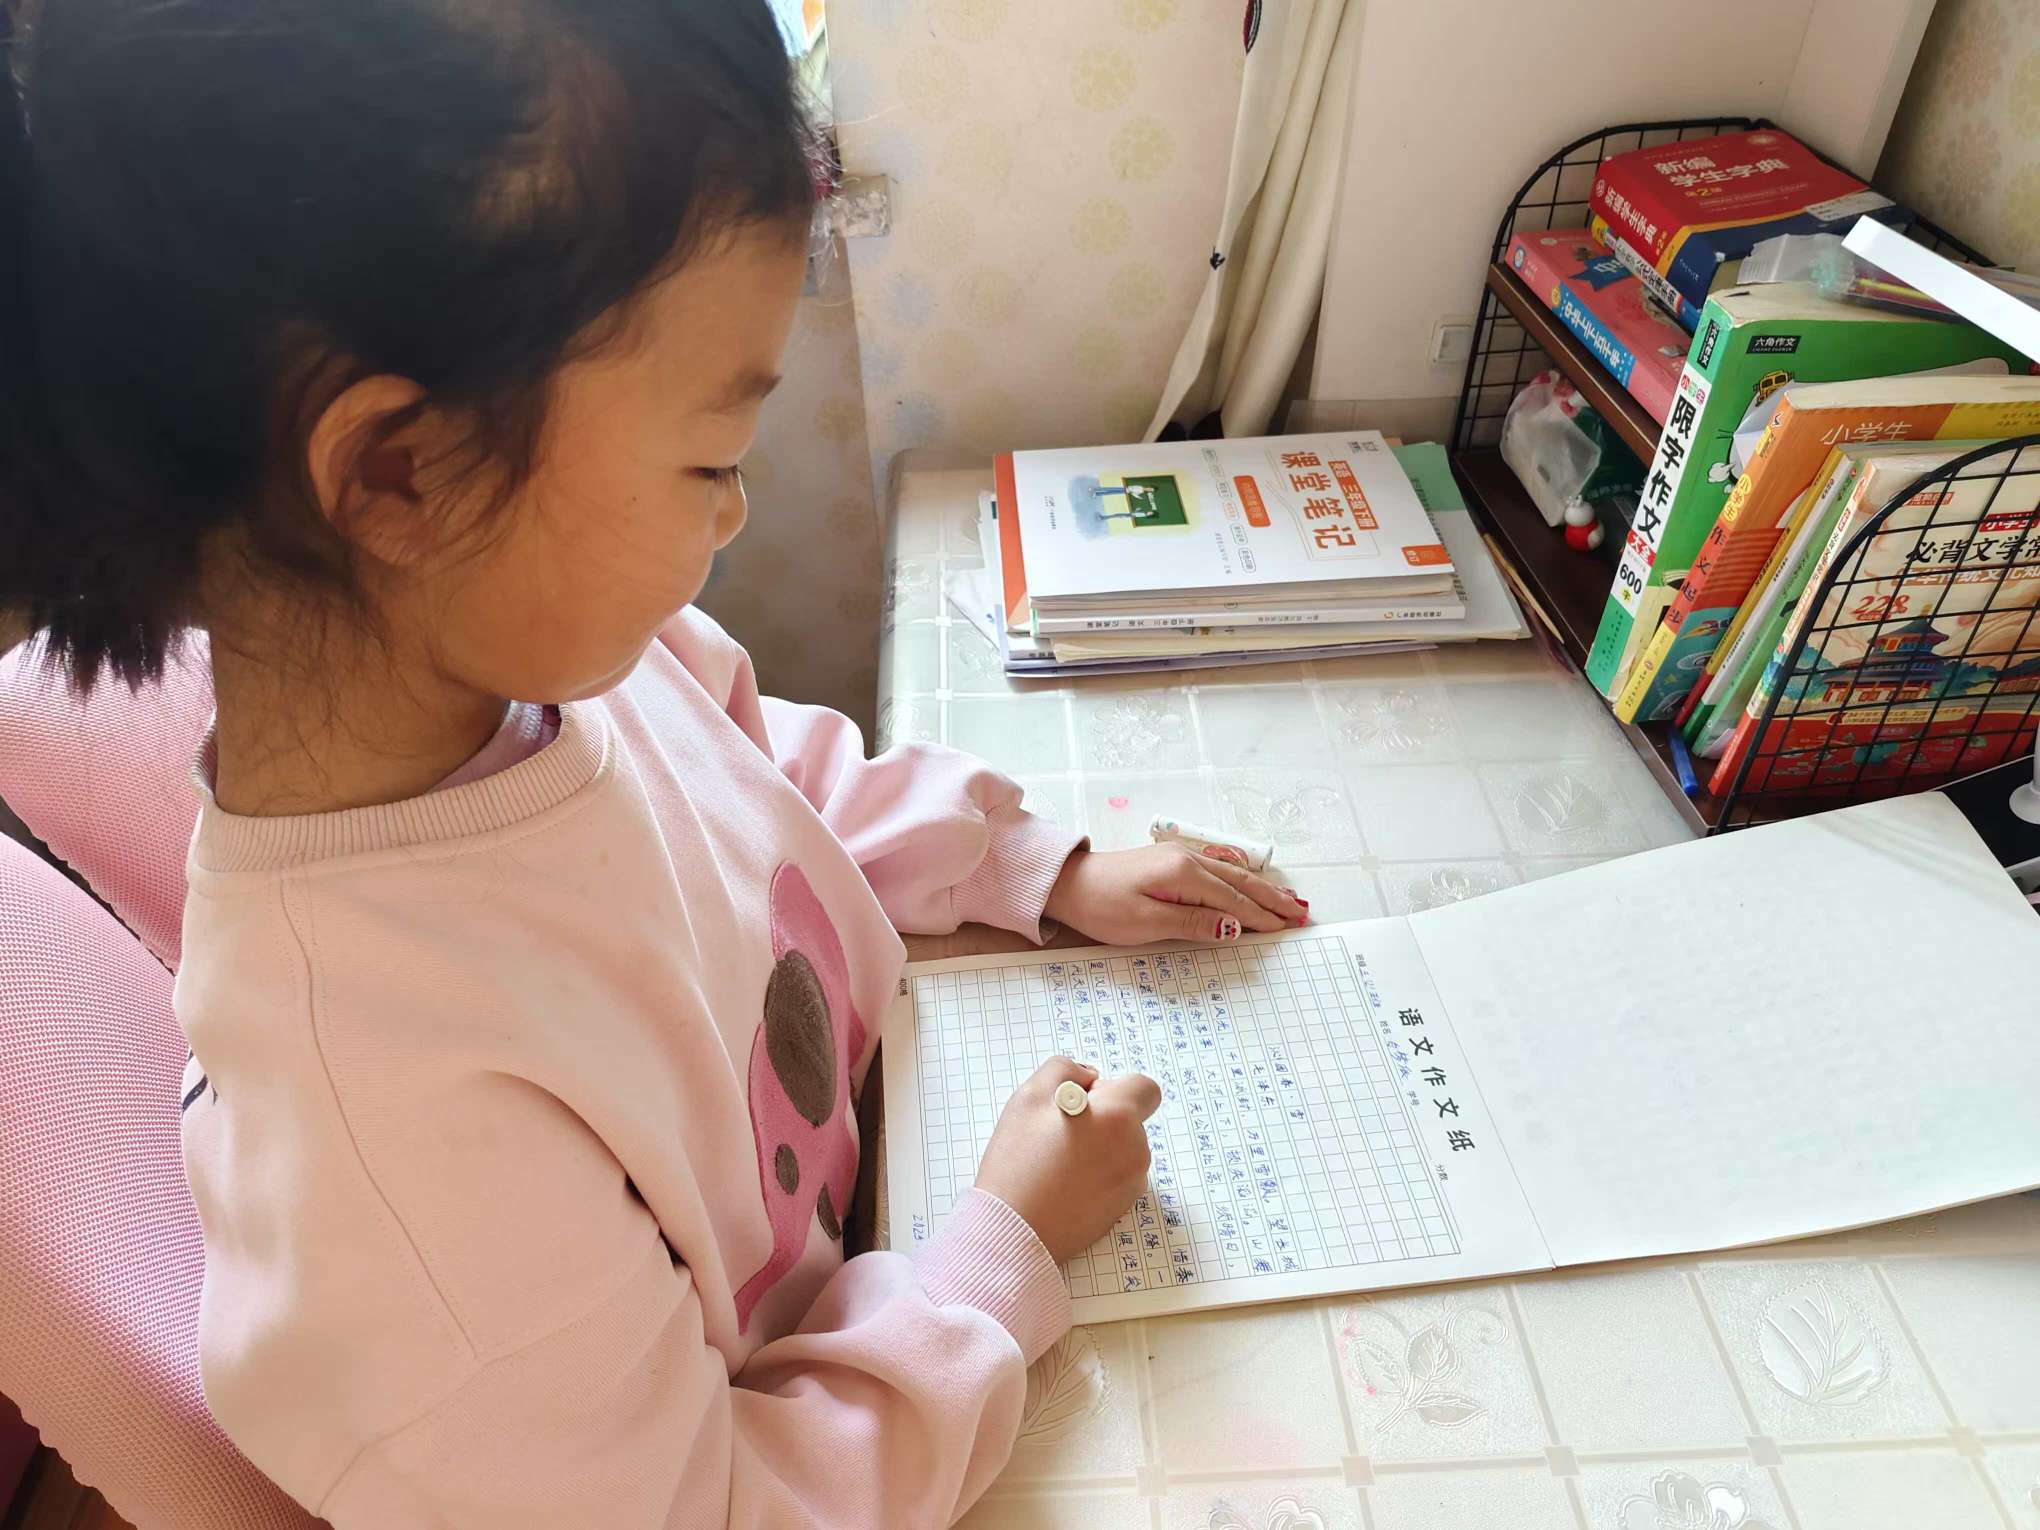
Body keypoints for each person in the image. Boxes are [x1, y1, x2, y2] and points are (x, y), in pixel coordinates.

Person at [0, 2, 1309, 1523]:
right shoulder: (399, 1152)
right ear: (402, 472)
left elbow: (768, 783)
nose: (734, 511)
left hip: (875, 1230)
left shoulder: (543, 664)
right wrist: (996, 1260)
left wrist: (1035, 864)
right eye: (710, 460)